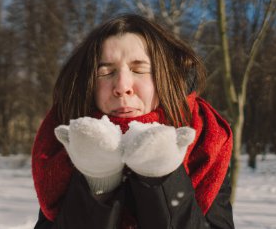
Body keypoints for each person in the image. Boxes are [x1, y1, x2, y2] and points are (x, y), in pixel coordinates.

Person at [32, 14, 234, 229]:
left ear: (166, 77)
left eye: (139, 69)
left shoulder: (205, 142)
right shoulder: (68, 143)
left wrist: (162, 177)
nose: (122, 86)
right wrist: (98, 182)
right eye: (106, 71)